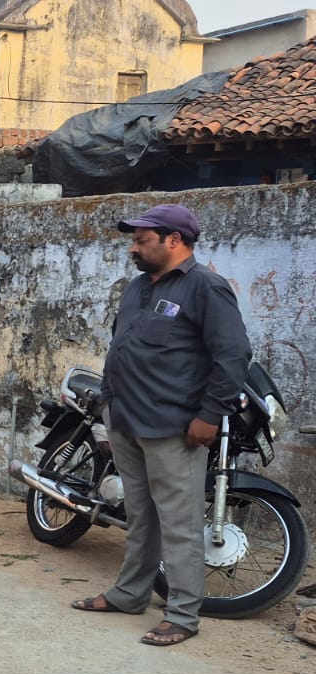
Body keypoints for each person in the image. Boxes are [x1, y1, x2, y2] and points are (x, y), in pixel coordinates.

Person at [70, 204, 251, 646]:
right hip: (127, 420)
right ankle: (130, 594)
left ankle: (184, 615)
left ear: (175, 240)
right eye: (133, 239)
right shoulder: (137, 288)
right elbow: (121, 345)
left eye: (142, 240)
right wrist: (110, 404)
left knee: (181, 523)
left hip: (174, 426)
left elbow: (232, 356)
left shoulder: (206, 288)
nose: (133, 247)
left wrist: (210, 415)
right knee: (140, 515)